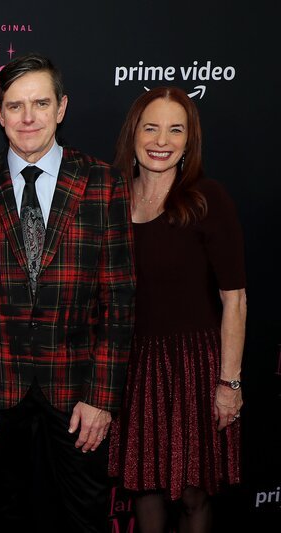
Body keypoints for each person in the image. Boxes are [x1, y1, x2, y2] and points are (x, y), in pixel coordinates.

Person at [0, 52, 136, 532]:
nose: (28, 117)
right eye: (15, 105)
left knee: (83, 519)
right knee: (11, 518)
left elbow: (119, 300)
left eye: (40, 103)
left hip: (78, 392)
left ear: (62, 107)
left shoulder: (103, 183)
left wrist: (102, 397)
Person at [108, 87, 246, 533]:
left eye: (175, 130)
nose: (161, 140)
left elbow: (235, 299)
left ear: (189, 141)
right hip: (133, 367)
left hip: (194, 368)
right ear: (133, 133)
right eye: (151, 128)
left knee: (193, 495)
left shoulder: (207, 199)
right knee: (144, 491)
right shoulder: (112, 201)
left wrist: (229, 383)